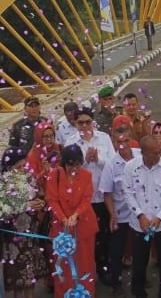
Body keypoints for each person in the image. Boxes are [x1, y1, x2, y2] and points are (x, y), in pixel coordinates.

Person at [64, 106, 115, 285]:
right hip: (82, 201)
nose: (84, 125)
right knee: (84, 239)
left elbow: (113, 163)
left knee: (104, 236)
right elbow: (68, 171)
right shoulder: (71, 142)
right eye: (80, 123)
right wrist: (85, 160)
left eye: (87, 122)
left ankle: (104, 268)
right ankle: (86, 271)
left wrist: (97, 159)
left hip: (102, 196)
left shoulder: (104, 138)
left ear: (93, 122)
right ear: (75, 124)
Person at [123, 135, 161, 298]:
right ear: (144, 153)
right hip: (140, 225)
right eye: (155, 153)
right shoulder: (130, 168)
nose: (159, 155)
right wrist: (140, 215)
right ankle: (138, 292)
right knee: (139, 261)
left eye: (160, 151)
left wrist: (159, 217)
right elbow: (128, 193)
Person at [46, 145, 98, 296]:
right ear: (64, 164)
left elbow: (87, 199)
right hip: (61, 229)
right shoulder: (54, 176)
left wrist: (75, 215)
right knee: (64, 265)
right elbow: (52, 200)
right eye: (70, 165)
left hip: (83, 227)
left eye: (77, 164)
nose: (74, 169)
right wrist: (63, 218)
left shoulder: (87, 175)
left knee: (84, 264)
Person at [0, 148, 49, 298]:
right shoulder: (3, 184)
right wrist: (26, 206)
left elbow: (39, 195)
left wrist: (40, 203)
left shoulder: (29, 178)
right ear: (9, 167)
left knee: (30, 277)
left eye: (23, 166)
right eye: (18, 167)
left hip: (30, 235)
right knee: (18, 279)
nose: (22, 170)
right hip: (14, 238)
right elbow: (3, 212)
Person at [100, 125, 140, 296]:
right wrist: (112, 215)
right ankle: (116, 283)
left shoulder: (140, 155)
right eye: (119, 142)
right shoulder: (111, 165)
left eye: (126, 141)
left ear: (131, 140)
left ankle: (140, 280)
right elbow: (107, 193)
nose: (123, 145)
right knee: (116, 251)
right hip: (121, 215)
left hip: (140, 213)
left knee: (140, 249)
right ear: (114, 143)